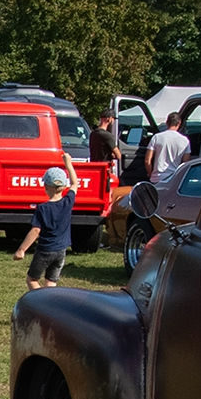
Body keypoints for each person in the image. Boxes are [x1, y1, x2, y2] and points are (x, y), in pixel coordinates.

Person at [13, 153, 79, 290]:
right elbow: (75, 183)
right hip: (61, 250)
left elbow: (36, 230)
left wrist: (21, 250)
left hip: (45, 251)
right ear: (63, 186)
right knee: (50, 283)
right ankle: (51, 305)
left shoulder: (43, 208)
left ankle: (41, 303)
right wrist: (68, 163)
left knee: (32, 280)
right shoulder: (68, 202)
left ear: (47, 187)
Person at [146, 112, 189, 182]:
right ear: (179, 123)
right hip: (174, 178)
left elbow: (147, 160)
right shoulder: (185, 140)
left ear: (167, 122)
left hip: (157, 178)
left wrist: (150, 174)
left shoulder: (157, 137)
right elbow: (185, 163)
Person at [90, 108, 121, 177]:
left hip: (94, 167)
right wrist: (112, 155)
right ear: (109, 119)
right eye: (113, 118)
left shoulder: (93, 133)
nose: (113, 121)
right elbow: (118, 155)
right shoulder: (107, 135)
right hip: (104, 168)